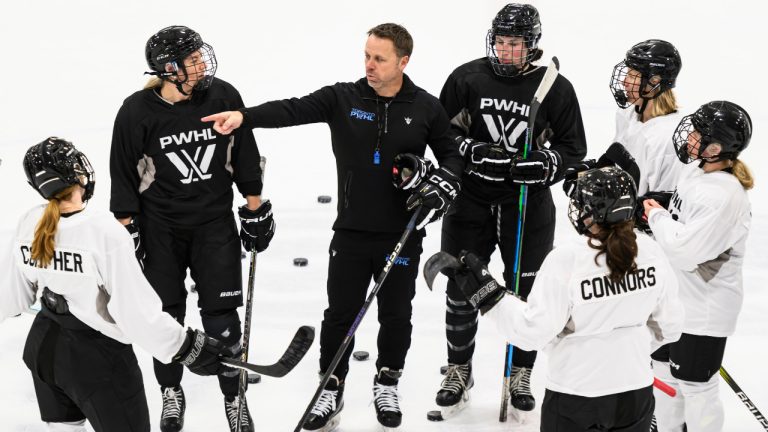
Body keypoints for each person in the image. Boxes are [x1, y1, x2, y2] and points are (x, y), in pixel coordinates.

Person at [202, 23, 464, 431]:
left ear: (403, 61)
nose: (369, 65)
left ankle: (387, 381)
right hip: (352, 231)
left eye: (379, 58)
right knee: (340, 313)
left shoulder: (426, 108)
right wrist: (244, 117)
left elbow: (452, 155)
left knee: (397, 314)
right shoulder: (343, 97)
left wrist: (442, 183)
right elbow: (293, 108)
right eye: (366, 56)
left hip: (403, 233)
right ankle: (332, 385)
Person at [0, 138, 234, 432]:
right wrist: (186, 346)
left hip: (43, 350)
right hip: (98, 362)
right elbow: (134, 314)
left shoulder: (30, 221)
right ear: (75, 175)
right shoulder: (104, 231)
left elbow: (10, 297)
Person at [109, 26, 274, 432]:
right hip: (159, 229)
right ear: (168, 69)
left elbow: (245, 153)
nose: (203, 63)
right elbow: (124, 176)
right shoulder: (136, 112)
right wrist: (126, 230)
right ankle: (170, 390)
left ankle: (234, 396)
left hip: (214, 224)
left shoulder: (223, 96)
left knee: (222, 316)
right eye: (192, 59)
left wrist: (254, 207)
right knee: (165, 315)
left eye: (201, 55)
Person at [434, 3, 587, 417]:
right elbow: (441, 133)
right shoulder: (467, 76)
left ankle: (519, 372)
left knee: (527, 292)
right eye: (500, 42)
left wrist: (547, 164)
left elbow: (574, 149)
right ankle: (459, 369)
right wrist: (470, 149)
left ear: (532, 44)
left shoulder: (556, 87)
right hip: (470, 199)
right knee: (461, 284)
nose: (505, 51)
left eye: (515, 44)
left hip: (526, 203)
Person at [447, 166, 684, 431]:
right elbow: (671, 326)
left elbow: (532, 332)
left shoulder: (568, 259)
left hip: (575, 394)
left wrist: (489, 297)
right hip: (635, 392)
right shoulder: (650, 250)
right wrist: (625, 348)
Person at [642, 101, 753, 432]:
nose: (689, 136)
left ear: (716, 147)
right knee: (662, 376)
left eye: (698, 134)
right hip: (674, 301)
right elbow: (683, 212)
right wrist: (661, 202)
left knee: (697, 389)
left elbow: (684, 250)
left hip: (703, 312)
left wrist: (655, 215)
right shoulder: (696, 171)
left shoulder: (725, 195)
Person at [609, 39, 684, 196]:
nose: (624, 82)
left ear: (654, 81)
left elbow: (659, 205)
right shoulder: (627, 114)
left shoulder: (666, 139)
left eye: (632, 75)